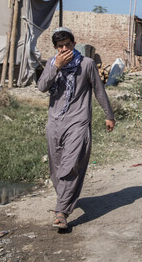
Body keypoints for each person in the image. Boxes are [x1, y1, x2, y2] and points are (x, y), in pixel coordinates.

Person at [37, 27, 115, 230]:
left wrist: (109, 115)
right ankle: (66, 197)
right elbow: (42, 86)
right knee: (56, 169)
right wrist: (56, 67)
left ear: (74, 44)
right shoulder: (52, 63)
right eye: (60, 46)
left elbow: (99, 90)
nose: (64, 49)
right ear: (55, 48)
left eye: (68, 45)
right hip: (55, 123)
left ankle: (61, 212)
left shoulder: (87, 64)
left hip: (78, 122)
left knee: (70, 165)